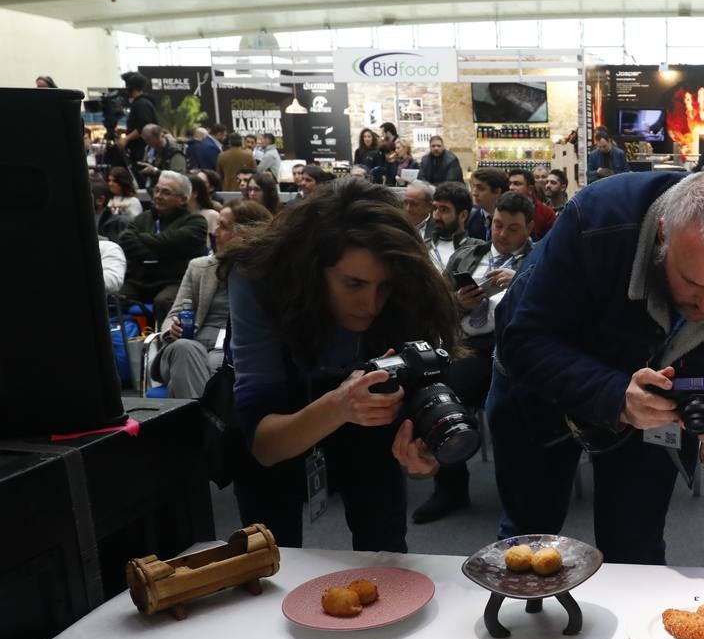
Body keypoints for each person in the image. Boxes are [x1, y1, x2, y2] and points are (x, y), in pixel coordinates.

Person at [489, 171, 704, 563]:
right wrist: (615, 394)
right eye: (690, 282)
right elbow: (524, 341)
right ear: (662, 235)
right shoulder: (596, 221)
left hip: (657, 415)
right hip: (540, 392)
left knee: (635, 544)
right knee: (528, 538)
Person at [226, 178, 459, 550]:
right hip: (282, 415)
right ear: (313, 269)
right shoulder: (259, 277)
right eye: (354, 284)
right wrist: (339, 405)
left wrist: (420, 450)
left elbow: (415, 405)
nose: (372, 305)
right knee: (269, 560)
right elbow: (264, 446)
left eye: (384, 287)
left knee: (385, 555)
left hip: (367, 425)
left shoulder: (407, 287)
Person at [414, 191, 534, 524]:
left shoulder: (540, 261)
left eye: (513, 229)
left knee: (513, 399)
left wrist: (523, 281)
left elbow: (556, 310)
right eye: (498, 225)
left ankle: (523, 490)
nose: (503, 235)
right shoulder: (468, 254)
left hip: (517, 347)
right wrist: (458, 303)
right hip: (468, 344)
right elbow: (435, 307)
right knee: (436, 390)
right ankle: (450, 486)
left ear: (529, 229)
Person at [157, 200, 273, 398]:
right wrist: (172, 329)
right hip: (192, 343)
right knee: (185, 349)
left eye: (223, 226)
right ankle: (211, 422)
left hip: (234, 351)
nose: (215, 232)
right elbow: (174, 313)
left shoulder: (268, 274)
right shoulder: (200, 267)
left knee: (221, 363)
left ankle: (196, 423)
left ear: (247, 233)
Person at [118, 170, 209, 324]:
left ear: (183, 199)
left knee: (164, 301)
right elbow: (125, 241)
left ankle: (165, 344)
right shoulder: (144, 218)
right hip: (140, 281)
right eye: (157, 190)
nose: (158, 196)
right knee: (110, 296)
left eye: (166, 192)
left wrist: (142, 239)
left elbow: (171, 241)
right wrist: (161, 251)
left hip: (175, 281)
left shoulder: (196, 222)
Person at [426, 181, 476, 271]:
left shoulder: (475, 250)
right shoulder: (422, 245)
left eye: (444, 210)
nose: (436, 216)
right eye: (435, 209)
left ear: (463, 216)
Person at [121, 72, 157, 178]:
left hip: (141, 151)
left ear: (130, 87)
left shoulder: (141, 104)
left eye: (126, 85)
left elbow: (143, 127)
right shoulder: (143, 103)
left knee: (141, 176)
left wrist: (126, 139)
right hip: (140, 150)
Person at [507, 168, 557, 241]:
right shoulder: (504, 210)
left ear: (530, 189)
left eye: (517, 184)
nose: (511, 187)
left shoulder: (546, 214)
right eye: (510, 184)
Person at [467, 168, 508, 241]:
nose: (474, 193)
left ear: (497, 191)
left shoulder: (512, 219)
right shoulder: (470, 218)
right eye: (474, 187)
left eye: (481, 188)